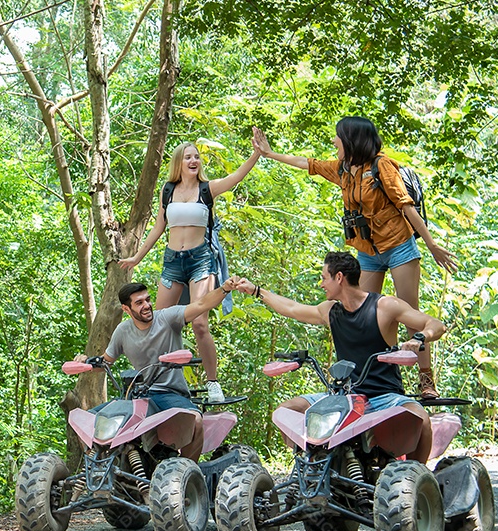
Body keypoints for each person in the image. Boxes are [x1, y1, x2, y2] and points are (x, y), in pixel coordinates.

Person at [252, 118, 457, 399]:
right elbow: (307, 163)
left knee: (410, 316)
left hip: (398, 246)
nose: (334, 142)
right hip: (368, 251)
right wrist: (269, 153)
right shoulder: (343, 169)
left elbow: (406, 207)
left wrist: (432, 245)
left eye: (338, 138)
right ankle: (365, 380)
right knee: (362, 316)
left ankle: (425, 381)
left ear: (351, 140)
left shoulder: (382, 167)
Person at [225, 251, 446, 463]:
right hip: (345, 398)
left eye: (324, 278)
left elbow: (436, 325)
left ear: (339, 277)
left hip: (384, 396)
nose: (321, 284)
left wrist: (419, 338)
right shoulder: (330, 311)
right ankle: (313, 462)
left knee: (422, 419)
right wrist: (256, 291)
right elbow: (292, 308)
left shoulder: (385, 306)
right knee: (285, 411)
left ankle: (417, 477)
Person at [119, 141, 259, 403]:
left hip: (200, 260)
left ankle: (213, 382)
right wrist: (137, 257)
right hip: (172, 261)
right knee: (157, 325)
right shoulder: (168, 190)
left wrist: (256, 153)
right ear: (179, 163)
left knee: (199, 323)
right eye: (188, 157)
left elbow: (236, 177)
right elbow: (158, 227)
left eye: (196, 157)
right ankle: (156, 383)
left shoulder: (207, 189)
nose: (193, 161)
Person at [75, 279, 238, 461]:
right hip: (138, 397)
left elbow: (201, 304)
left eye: (147, 300)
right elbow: (105, 362)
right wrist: (86, 361)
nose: (146, 306)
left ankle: (186, 473)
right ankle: (102, 469)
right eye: (139, 303)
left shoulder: (167, 318)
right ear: (126, 309)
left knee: (195, 420)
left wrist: (225, 289)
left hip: (169, 393)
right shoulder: (122, 331)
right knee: (87, 422)